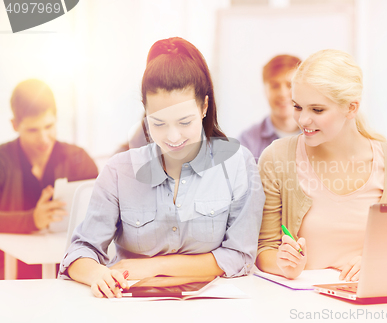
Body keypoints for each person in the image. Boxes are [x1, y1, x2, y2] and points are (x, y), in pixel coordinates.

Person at [59, 37, 265, 298]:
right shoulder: (119, 171)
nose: (173, 137)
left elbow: (239, 257)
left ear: (203, 106)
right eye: (159, 123)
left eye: (184, 122)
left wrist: (150, 267)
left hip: (213, 308)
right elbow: (80, 251)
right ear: (145, 113)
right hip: (130, 306)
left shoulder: (237, 164)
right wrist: (98, 273)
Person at [256, 49, 387, 281]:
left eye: (317, 109)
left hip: (372, 303)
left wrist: (377, 261)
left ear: (351, 108)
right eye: (297, 106)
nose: (303, 120)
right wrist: (284, 264)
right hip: (303, 304)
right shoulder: (276, 158)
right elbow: (265, 250)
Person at [0, 79, 98, 278]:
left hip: (70, 274)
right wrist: (32, 220)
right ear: (15, 125)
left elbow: (105, 216)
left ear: (56, 118)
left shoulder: (79, 160)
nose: (44, 138)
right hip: (9, 276)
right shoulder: (3, 160)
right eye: (33, 130)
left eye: (49, 126)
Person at [239, 55, 302, 161]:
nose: (282, 93)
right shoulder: (247, 142)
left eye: (289, 85)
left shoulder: (321, 136)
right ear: (265, 90)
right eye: (275, 86)